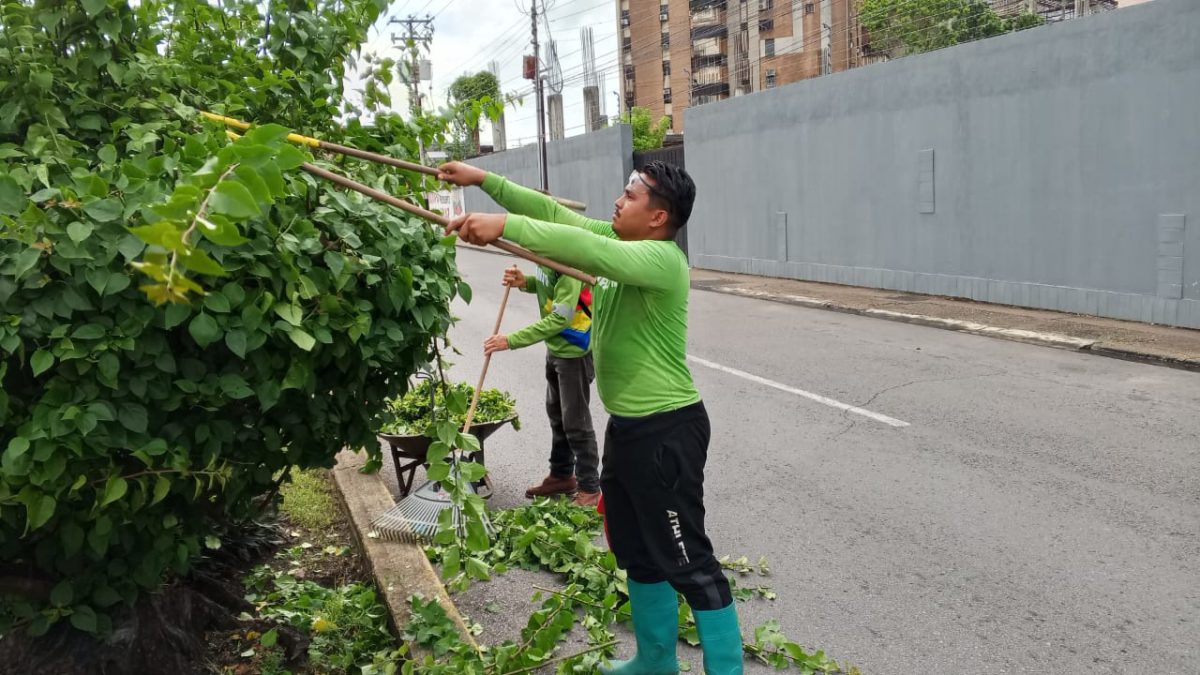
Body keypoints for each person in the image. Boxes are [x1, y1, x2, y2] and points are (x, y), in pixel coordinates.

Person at [437, 160, 743, 675]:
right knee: (634, 549)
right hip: (628, 429)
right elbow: (557, 216)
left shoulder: (661, 260)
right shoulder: (623, 243)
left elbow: (583, 247)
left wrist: (504, 225)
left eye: (631, 196)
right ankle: (654, 663)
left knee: (688, 560)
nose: (618, 202)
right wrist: (485, 181)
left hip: (667, 431)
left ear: (658, 216)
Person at [483, 260, 601, 507]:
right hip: (556, 348)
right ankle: (562, 475)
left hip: (574, 352)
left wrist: (511, 340)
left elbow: (561, 317)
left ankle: (590, 489)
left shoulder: (567, 260)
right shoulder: (545, 256)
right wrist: (526, 282)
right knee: (557, 415)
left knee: (576, 423)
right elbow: (550, 285)